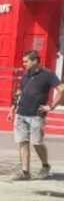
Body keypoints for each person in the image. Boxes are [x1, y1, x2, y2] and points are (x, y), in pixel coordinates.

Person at [9, 50, 63, 181]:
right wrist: (12, 108)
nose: (23, 64)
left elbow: (61, 89)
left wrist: (51, 106)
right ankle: (25, 172)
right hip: (21, 114)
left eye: (26, 61)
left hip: (36, 115)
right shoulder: (26, 75)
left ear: (35, 61)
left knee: (37, 143)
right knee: (23, 142)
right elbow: (19, 93)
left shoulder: (48, 75)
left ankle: (45, 166)